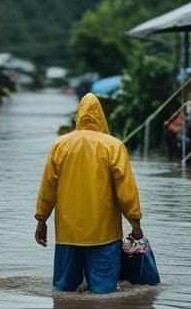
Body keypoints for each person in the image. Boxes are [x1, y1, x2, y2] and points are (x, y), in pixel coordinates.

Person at [34, 93, 143, 294]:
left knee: (63, 293)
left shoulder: (60, 145)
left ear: (79, 116)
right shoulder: (113, 146)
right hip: (105, 234)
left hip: (68, 234)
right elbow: (126, 191)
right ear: (101, 116)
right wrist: (135, 223)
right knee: (104, 296)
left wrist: (42, 219)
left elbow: (48, 187)